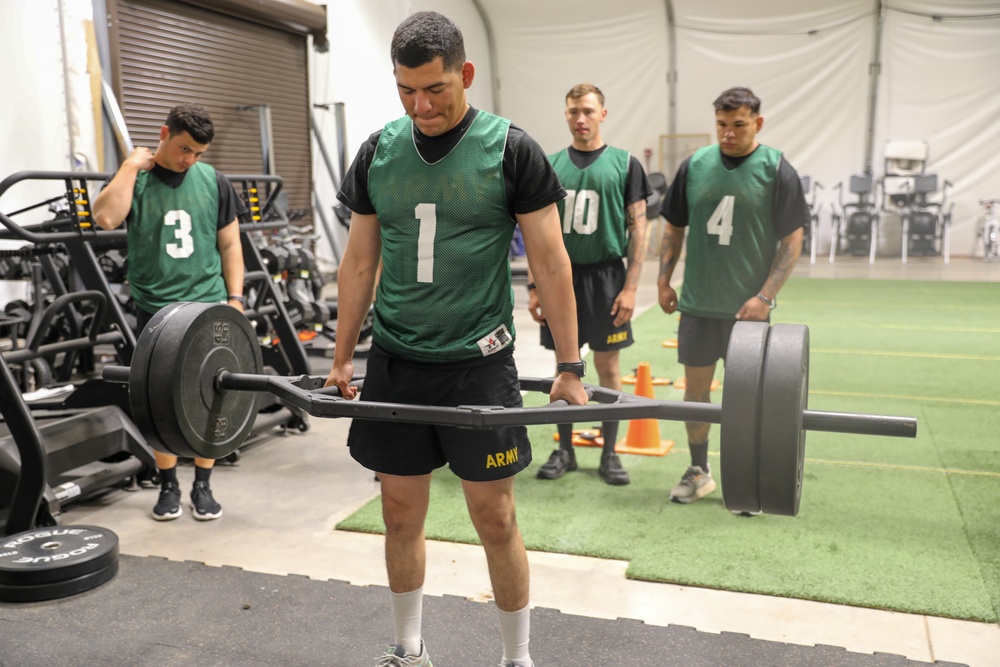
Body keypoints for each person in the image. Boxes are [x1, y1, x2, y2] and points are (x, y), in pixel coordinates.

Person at [323, 12, 587, 667]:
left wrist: (569, 363)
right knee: (399, 513)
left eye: (435, 89)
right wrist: (338, 358)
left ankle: (515, 658)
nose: (421, 105)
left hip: (478, 363)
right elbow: (359, 263)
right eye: (406, 90)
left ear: (465, 75)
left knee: (495, 519)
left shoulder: (511, 149)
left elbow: (552, 262)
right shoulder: (378, 151)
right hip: (397, 361)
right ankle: (409, 649)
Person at [93, 104, 245, 522]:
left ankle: (202, 484)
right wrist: (128, 165)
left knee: (212, 396)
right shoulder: (137, 179)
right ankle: (167, 485)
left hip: (208, 303)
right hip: (157, 311)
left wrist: (235, 300)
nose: (189, 159)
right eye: (183, 149)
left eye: (198, 152)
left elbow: (231, 246)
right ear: (164, 133)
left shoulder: (213, 181)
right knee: (158, 400)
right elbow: (105, 216)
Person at [657, 86, 807, 508]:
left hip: (749, 313)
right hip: (699, 307)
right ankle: (699, 470)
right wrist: (664, 281)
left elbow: (792, 241)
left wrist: (765, 296)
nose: (728, 133)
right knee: (696, 395)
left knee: (750, 404)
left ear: (757, 123)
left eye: (738, 125)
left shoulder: (776, 168)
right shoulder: (696, 165)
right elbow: (673, 227)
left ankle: (748, 481)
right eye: (722, 125)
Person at [528, 83, 650, 486]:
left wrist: (631, 287)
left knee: (608, 365)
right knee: (564, 364)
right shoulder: (549, 164)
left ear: (603, 114)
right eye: (573, 111)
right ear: (565, 115)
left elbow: (639, 231)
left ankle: (610, 452)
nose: (580, 119)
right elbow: (535, 231)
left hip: (607, 277)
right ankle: (565, 448)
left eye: (588, 111)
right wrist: (533, 286)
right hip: (560, 277)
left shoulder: (625, 163)